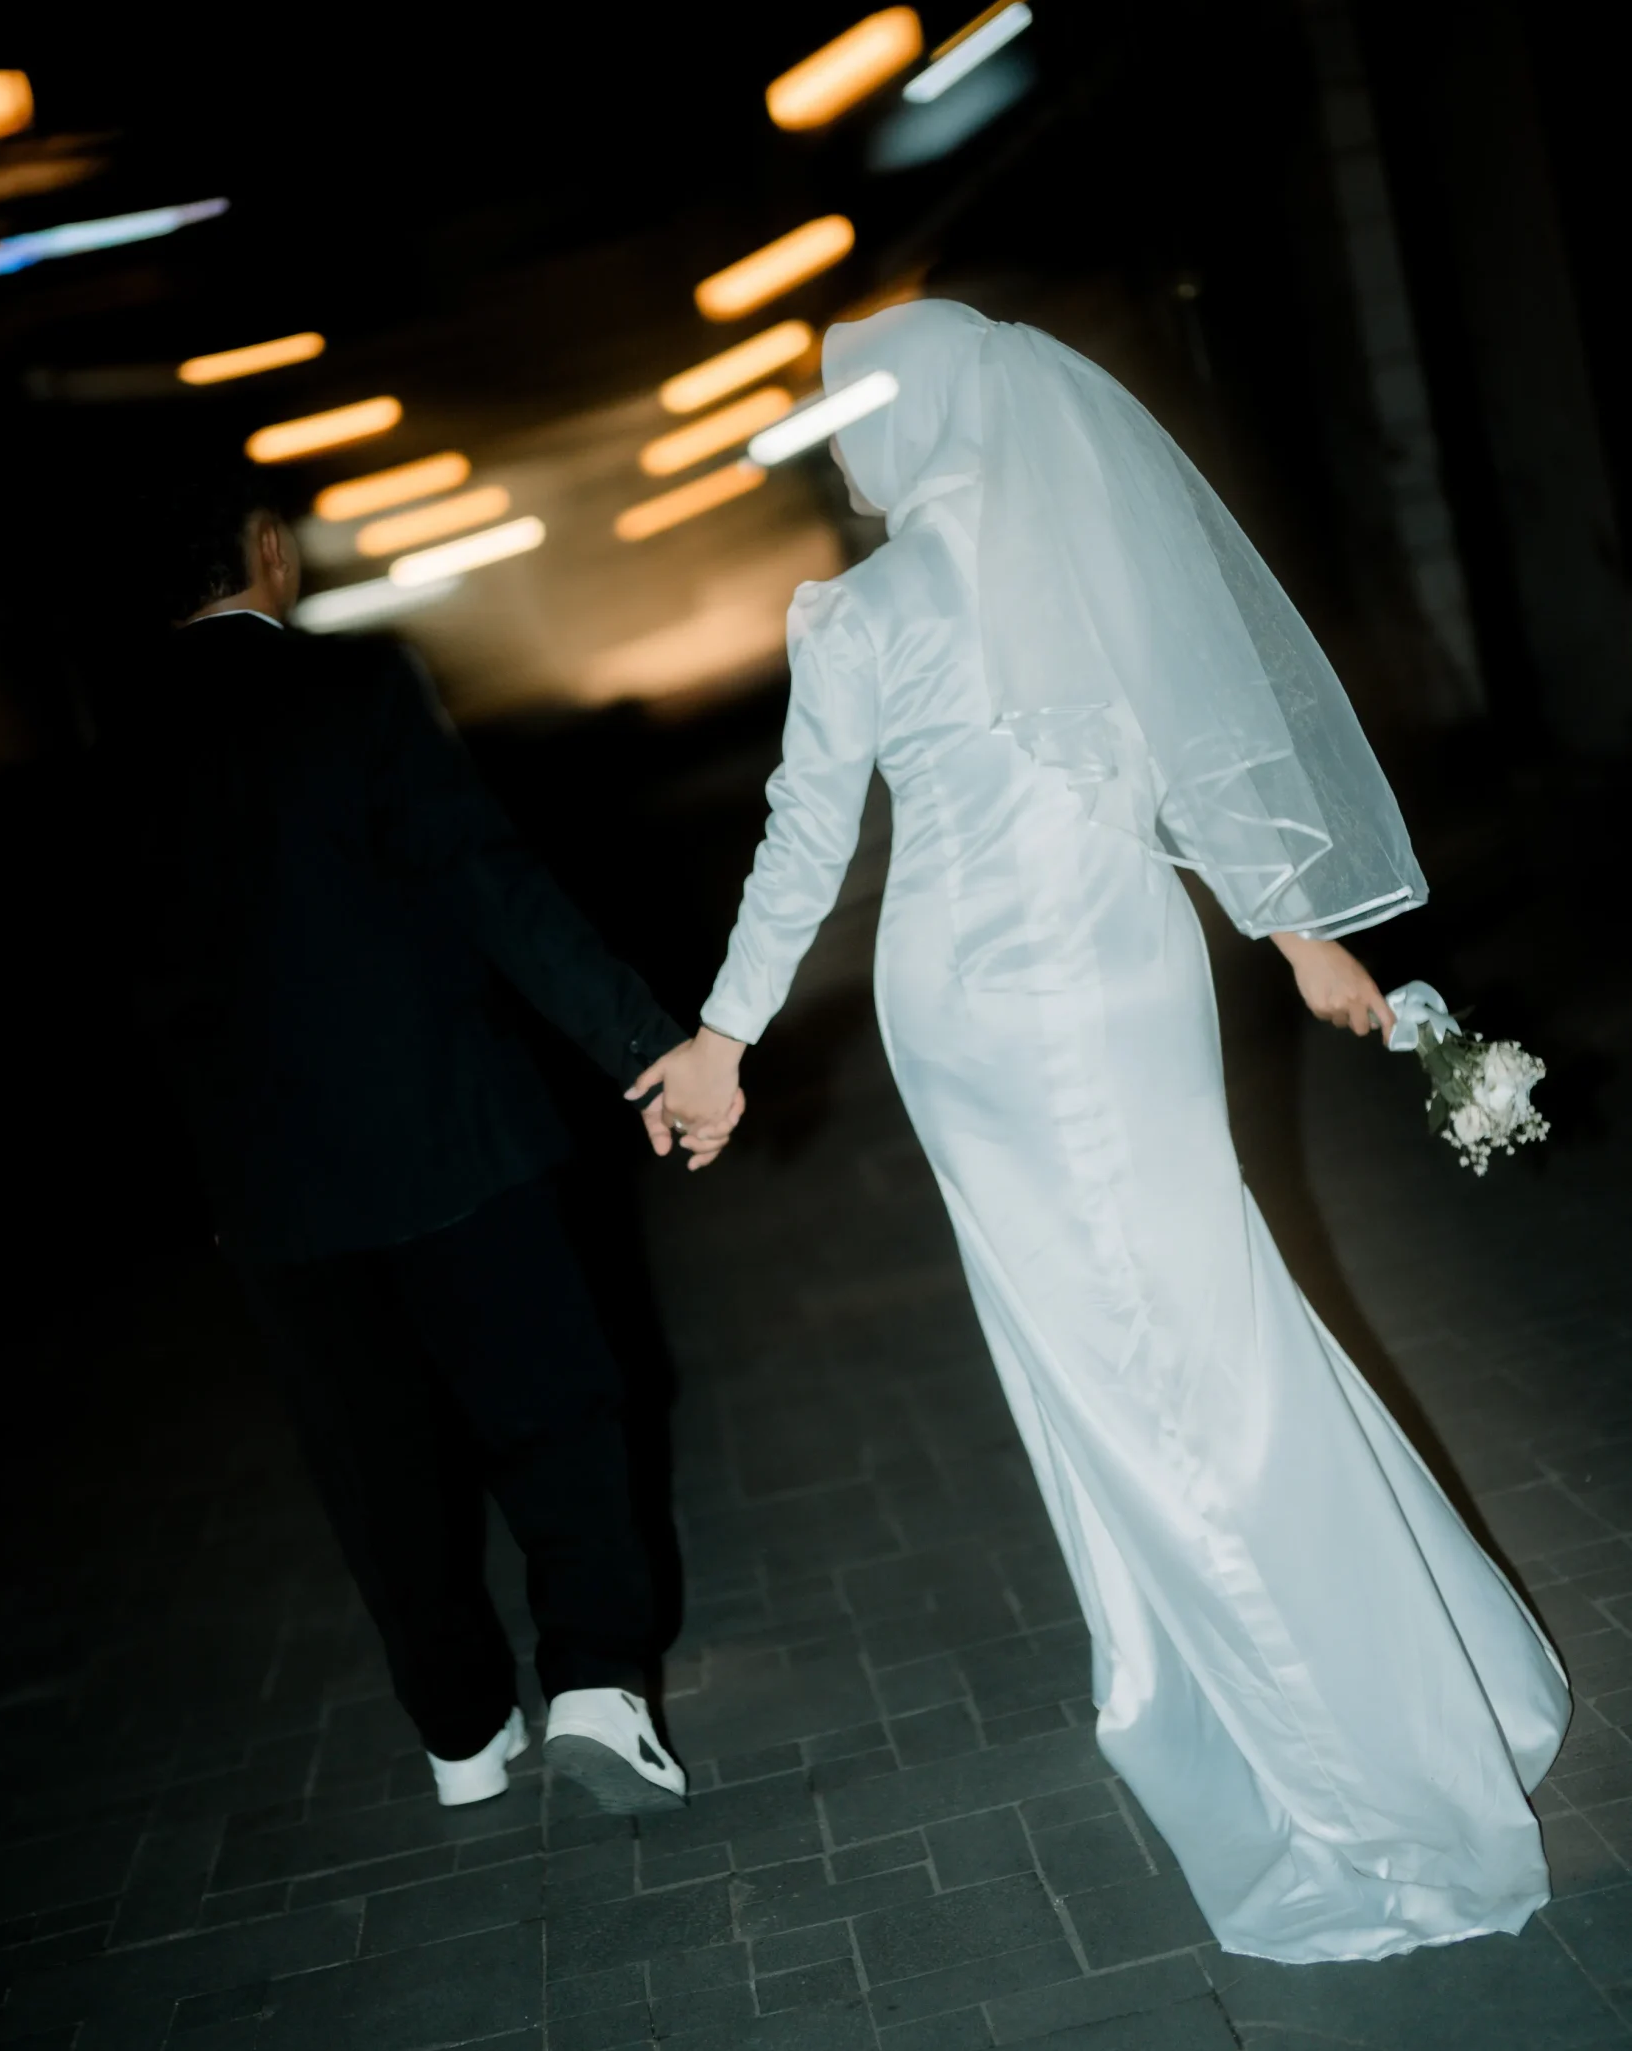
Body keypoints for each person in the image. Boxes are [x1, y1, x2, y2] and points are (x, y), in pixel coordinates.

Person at [637, 300, 1569, 1964]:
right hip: (1137, 982)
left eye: (852, 417)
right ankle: (1359, 1673)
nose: (846, 452)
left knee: (1137, 1370)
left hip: (985, 1019)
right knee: (1208, 1328)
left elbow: (804, 838)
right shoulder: (1089, 561)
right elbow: (1202, 765)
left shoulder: (862, 611)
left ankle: (1354, 1784)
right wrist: (1296, 936)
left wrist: (722, 1036)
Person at [115, 475, 740, 1814]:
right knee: (555, 1412)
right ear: (266, 549)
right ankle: (596, 1686)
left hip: (269, 1192)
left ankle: (461, 1736)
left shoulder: (118, 744)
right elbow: (487, 882)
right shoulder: (352, 688)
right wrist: (648, 1048)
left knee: (374, 1467)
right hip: (452, 1137)